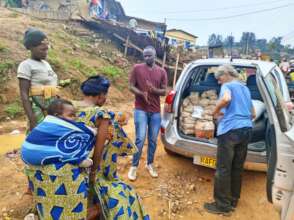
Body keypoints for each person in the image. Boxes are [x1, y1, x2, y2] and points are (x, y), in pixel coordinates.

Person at [75, 75, 150, 220]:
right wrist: (93, 173)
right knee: (126, 194)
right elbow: (98, 148)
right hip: (90, 168)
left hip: (70, 164)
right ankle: (98, 210)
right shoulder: (102, 115)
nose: (106, 99)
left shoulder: (69, 107)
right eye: (105, 95)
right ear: (100, 95)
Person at [21, 99, 96, 220]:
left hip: (35, 164)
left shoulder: (65, 130)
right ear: (56, 116)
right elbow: (87, 136)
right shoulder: (50, 127)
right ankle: (77, 159)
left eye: (75, 114)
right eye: (71, 115)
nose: (75, 118)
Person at [203, 64, 256, 215]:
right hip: (246, 130)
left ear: (226, 74)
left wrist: (215, 112)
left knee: (223, 168)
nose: (219, 82)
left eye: (219, 78)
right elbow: (253, 113)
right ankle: (233, 200)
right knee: (237, 168)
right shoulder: (245, 88)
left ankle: (222, 206)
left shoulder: (228, 86)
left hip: (230, 132)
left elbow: (226, 99)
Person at [128, 46, 167, 181]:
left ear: (155, 55)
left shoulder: (162, 71)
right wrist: (140, 93)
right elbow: (131, 86)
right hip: (140, 109)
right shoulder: (137, 68)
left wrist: (153, 90)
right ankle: (134, 166)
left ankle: (149, 164)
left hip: (155, 111)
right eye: (145, 56)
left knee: (152, 140)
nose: (147, 58)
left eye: (149, 55)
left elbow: (164, 91)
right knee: (140, 138)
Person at [17, 28, 59, 132]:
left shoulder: (46, 64)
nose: (46, 52)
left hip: (52, 106)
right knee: (38, 134)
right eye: (42, 49)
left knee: (51, 134)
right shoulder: (26, 65)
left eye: (47, 49)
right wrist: (32, 119)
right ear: (31, 48)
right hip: (38, 106)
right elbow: (24, 94)